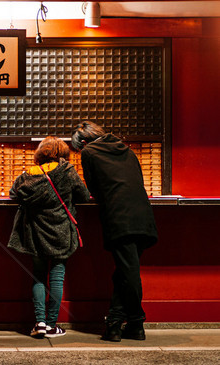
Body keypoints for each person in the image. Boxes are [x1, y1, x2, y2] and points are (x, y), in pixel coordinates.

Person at [71, 121, 158, 342]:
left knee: (128, 272)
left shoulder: (90, 152)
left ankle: (137, 320)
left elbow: (92, 187)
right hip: (143, 215)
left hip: (119, 217)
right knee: (125, 270)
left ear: (83, 142)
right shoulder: (126, 149)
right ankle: (116, 324)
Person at [8, 136, 90, 338]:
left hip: (35, 231)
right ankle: (52, 325)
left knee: (38, 275)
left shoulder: (28, 174)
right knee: (57, 276)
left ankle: (40, 323)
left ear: (40, 153)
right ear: (62, 153)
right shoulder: (67, 171)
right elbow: (84, 195)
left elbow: (13, 194)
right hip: (61, 229)